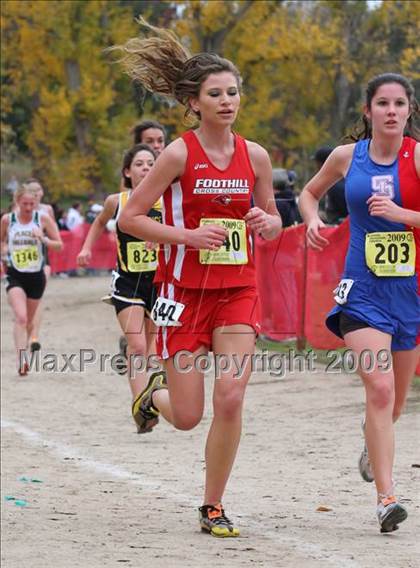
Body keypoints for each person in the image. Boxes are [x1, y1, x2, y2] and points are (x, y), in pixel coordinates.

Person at [112, 17, 282, 537]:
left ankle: (212, 506)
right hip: (184, 293)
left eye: (233, 92)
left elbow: (274, 220)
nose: (228, 101)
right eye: (216, 93)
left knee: (230, 395)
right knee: (186, 415)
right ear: (194, 102)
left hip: (237, 290)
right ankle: (150, 396)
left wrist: (266, 222)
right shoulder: (179, 152)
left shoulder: (255, 155)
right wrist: (187, 237)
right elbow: (129, 218)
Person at [298, 73, 420, 534]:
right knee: (381, 389)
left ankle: (374, 444)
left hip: (409, 294)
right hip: (362, 292)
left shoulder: (417, 157)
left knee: (394, 405)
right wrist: (311, 221)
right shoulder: (348, 157)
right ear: (368, 111)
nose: (391, 111)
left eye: (400, 104)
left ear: (410, 111)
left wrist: (403, 215)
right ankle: (387, 499)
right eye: (383, 103)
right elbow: (310, 193)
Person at [77, 144, 161, 429]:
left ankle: (151, 395)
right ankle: (142, 408)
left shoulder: (168, 200)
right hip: (128, 283)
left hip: (161, 283)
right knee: (136, 346)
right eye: (139, 164)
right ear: (128, 171)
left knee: (153, 351)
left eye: (151, 163)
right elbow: (99, 222)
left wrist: (163, 238)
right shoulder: (117, 201)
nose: (146, 168)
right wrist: (86, 249)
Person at [117, 120, 168, 361]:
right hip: (131, 271)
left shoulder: (172, 170)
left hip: (161, 273)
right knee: (140, 341)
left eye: (160, 141)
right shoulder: (132, 177)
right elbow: (122, 213)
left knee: (155, 341)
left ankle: (140, 359)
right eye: (150, 141)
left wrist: (161, 234)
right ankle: (133, 346)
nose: (157, 146)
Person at [1, 185, 62, 374]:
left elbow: (59, 245)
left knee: (28, 321)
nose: (28, 208)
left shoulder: (42, 218)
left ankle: (25, 348)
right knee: (21, 317)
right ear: (17, 202)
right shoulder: (7, 220)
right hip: (14, 274)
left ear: (36, 203)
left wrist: (42, 238)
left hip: (36, 275)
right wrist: (3, 250)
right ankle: (21, 359)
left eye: (31, 204)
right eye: (24, 203)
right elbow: (1, 241)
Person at [20, 178, 58, 351]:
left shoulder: (46, 210)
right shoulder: (17, 211)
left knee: (38, 296)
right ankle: (25, 330)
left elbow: (55, 234)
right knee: (24, 302)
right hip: (21, 262)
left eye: (39, 190)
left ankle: (34, 336)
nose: (37, 193)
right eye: (34, 190)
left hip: (42, 258)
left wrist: (43, 238)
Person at [313, 147, 348, 224]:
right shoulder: (331, 183)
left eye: (317, 164)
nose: (316, 168)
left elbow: (347, 212)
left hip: (340, 228)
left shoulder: (335, 185)